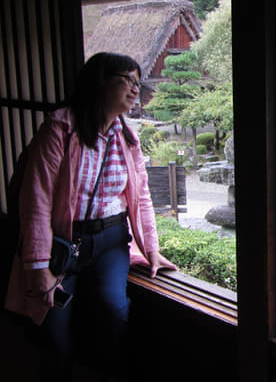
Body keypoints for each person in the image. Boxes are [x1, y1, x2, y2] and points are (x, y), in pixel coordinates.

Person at [3, 52, 177, 380]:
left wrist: (152, 249)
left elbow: (140, 196)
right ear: (100, 81)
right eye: (128, 80)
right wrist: (38, 266)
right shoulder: (60, 128)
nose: (135, 89)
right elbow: (36, 201)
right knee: (54, 330)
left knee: (114, 313)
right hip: (61, 242)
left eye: (138, 83)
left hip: (111, 240)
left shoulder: (127, 137)